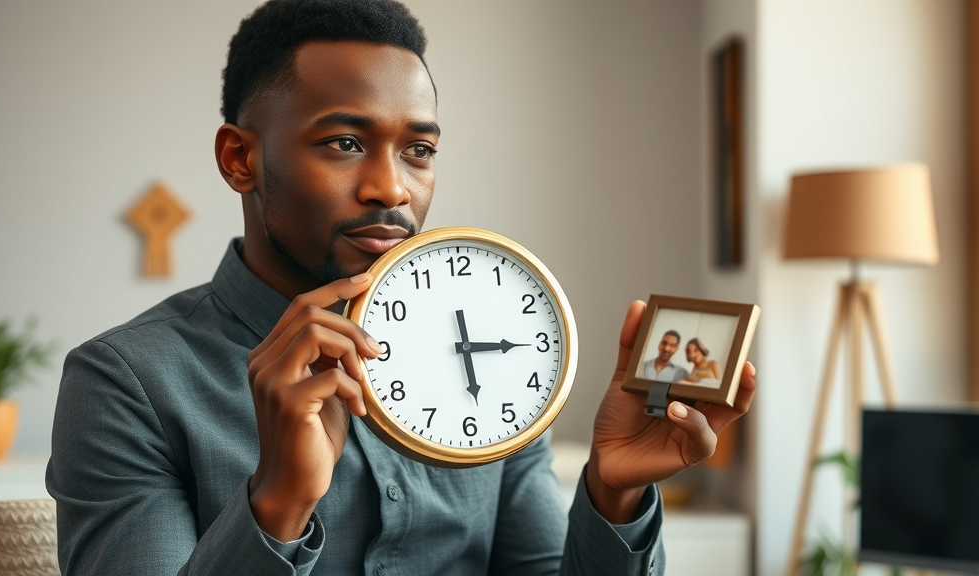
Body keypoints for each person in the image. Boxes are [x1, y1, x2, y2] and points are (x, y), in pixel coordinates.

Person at [46, 1, 757, 574]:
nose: (391, 187)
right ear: (241, 158)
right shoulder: (125, 382)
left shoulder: (503, 374)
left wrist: (616, 493)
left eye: (418, 150)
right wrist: (278, 503)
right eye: (344, 143)